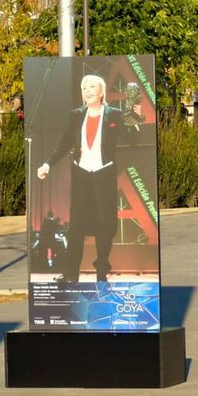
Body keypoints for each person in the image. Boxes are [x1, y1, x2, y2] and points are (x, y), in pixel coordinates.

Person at [36, 74, 125, 283]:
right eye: (84, 87)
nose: (87, 90)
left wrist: (135, 121)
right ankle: (70, 274)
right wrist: (48, 164)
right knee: (76, 226)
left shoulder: (115, 115)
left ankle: (101, 272)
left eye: (92, 86)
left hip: (104, 172)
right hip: (82, 173)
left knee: (104, 225)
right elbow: (65, 142)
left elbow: (131, 138)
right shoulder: (76, 115)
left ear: (102, 91)